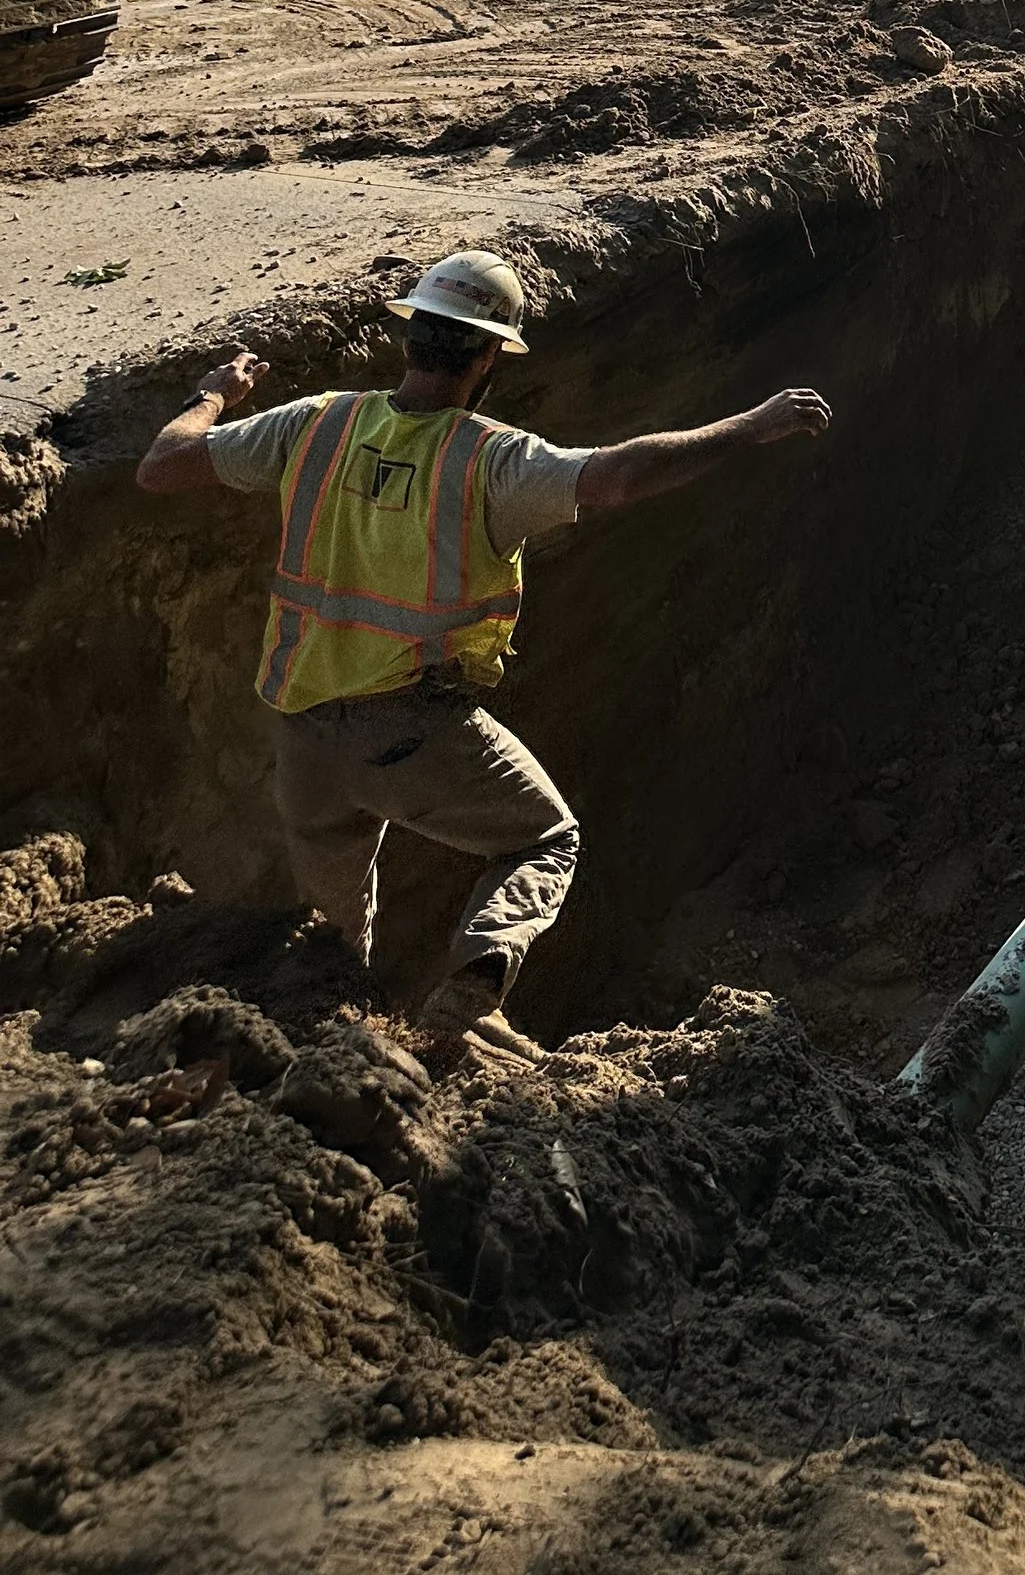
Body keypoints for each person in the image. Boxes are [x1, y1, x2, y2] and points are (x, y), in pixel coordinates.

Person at [136, 249, 830, 1055]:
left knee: (332, 941)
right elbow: (617, 477)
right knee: (545, 839)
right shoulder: (488, 458)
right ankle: (467, 995)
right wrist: (750, 425)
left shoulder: (316, 423)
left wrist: (214, 394)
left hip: (302, 736)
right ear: (490, 355)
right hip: (410, 733)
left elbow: (161, 467)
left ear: (412, 336)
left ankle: (326, 1060)